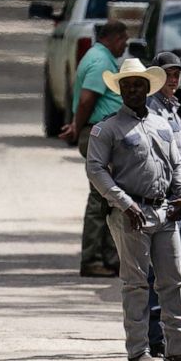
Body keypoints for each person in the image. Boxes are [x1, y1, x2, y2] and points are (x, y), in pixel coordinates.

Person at [85, 58, 181, 361]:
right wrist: (123, 202)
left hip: (165, 211)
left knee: (173, 281)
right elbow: (95, 169)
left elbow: (177, 163)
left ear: (147, 87)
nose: (132, 89)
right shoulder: (107, 128)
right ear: (119, 89)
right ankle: (139, 351)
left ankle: (178, 349)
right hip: (131, 215)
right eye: (126, 85)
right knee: (136, 284)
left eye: (137, 84)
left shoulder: (162, 123)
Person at [60, 20, 128, 278]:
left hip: (101, 133)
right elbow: (88, 98)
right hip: (100, 135)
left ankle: (110, 258)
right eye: (123, 39)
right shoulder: (101, 61)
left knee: (109, 197)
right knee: (101, 197)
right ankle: (93, 259)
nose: (124, 45)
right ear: (112, 38)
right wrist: (77, 126)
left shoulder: (98, 57)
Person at [144, 51, 181, 356]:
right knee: (160, 274)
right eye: (168, 74)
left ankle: (170, 338)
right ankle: (158, 339)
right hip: (167, 203)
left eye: (177, 74)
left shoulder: (172, 109)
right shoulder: (152, 110)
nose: (174, 79)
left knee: (174, 275)